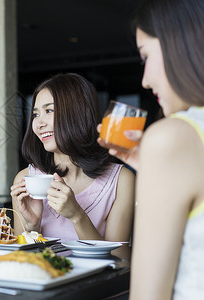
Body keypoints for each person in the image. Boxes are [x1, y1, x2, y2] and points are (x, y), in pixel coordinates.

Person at [96, 0, 204, 299]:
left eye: (145, 57)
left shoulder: (172, 138)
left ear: (179, 45)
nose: (145, 80)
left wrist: (159, 162)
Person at [10, 73, 135, 242]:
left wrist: (77, 216)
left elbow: (120, 261)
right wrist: (32, 227)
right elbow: (19, 262)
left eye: (49, 110)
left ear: (78, 114)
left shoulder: (121, 181)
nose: (39, 124)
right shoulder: (25, 180)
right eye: (36, 114)